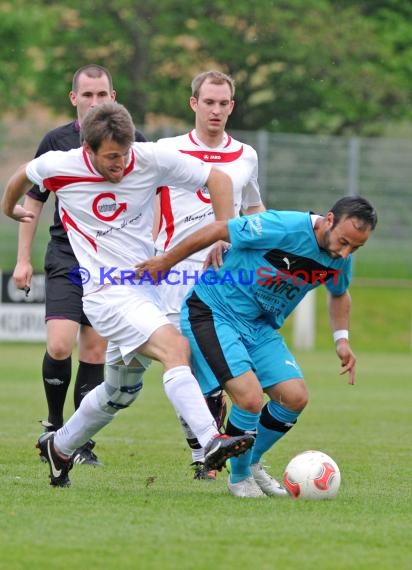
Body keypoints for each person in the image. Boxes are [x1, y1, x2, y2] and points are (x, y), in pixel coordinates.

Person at [2, 101, 254, 488]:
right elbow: (22, 174)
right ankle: (210, 441)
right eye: (110, 157)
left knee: (120, 393)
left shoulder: (148, 157)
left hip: (147, 290)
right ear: (88, 150)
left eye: (124, 154)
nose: (120, 164)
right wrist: (9, 207)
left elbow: (218, 179)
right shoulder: (61, 164)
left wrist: (223, 233)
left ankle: (60, 447)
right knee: (175, 348)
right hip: (106, 292)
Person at [136, 196, 378, 497]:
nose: (345, 252)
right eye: (343, 242)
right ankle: (239, 479)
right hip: (214, 311)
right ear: (329, 219)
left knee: (294, 397)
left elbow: (340, 294)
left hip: (259, 326)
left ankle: (251, 464)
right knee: (249, 398)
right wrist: (164, 263)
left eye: (355, 247)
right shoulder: (283, 226)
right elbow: (219, 229)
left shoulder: (342, 258)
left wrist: (341, 340)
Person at [12, 64, 146, 466]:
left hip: (112, 260)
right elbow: (32, 202)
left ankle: (78, 442)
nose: (94, 102)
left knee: (94, 349)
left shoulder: (134, 142)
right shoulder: (56, 142)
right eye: (86, 95)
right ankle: (54, 426)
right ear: (74, 99)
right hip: (67, 255)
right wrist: (23, 260)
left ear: (113, 96)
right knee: (59, 342)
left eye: (101, 94)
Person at [154, 70, 265, 480]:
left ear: (231, 106)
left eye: (224, 103)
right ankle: (205, 447)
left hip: (225, 278)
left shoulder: (246, 155)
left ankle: (207, 455)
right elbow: (143, 199)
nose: (216, 110)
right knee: (181, 364)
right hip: (173, 277)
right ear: (194, 104)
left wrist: (262, 249)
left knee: (216, 368)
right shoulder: (168, 150)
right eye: (209, 102)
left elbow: (252, 208)